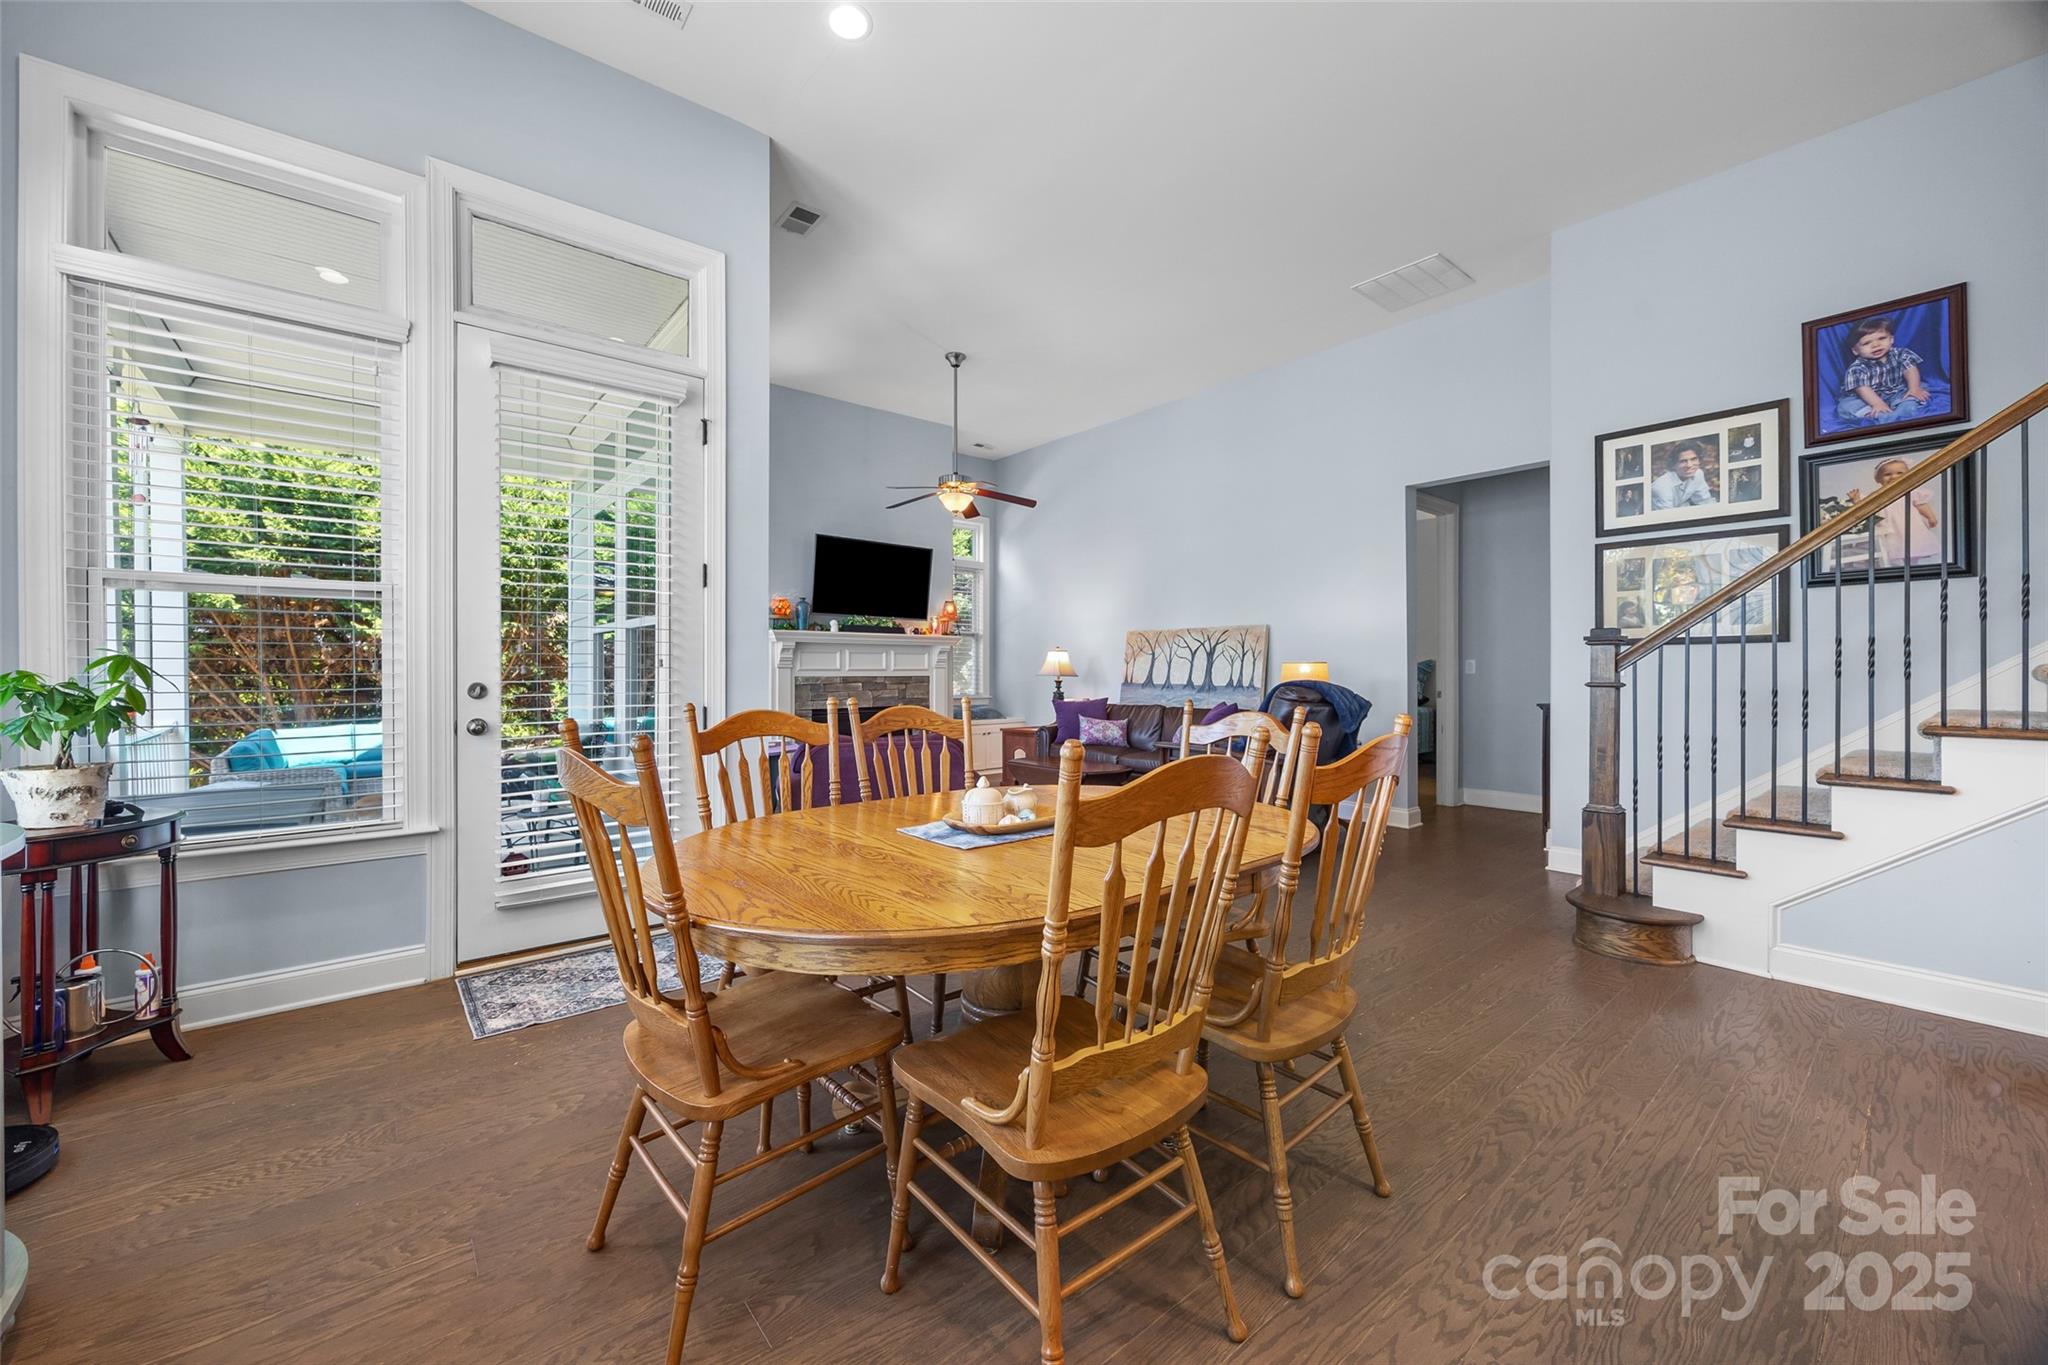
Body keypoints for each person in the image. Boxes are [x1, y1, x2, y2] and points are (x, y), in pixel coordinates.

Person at [1836, 317, 1932, 427]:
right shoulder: (1856, 368)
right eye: (1867, 343)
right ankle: (1880, 415)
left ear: (1891, 339)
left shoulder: (1901, 354)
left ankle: (1900, 411)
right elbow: (1863, 389)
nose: (1876, 345)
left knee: (1917, 392)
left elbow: (1910, 370)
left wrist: (1913, 388)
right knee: (1845, 407)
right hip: (1865, 398)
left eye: (1881, 338)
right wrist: (1877, 404)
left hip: (1896, 391)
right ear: (1855, 350)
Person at [1844, 456, 1939, 567]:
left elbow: (1921, 505)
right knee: (1890, 550)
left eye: (1899, 473)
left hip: (1909, 527)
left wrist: (1931, 517)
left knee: (1912, 550)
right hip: (1888, 527)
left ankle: (1912, 568)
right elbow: (1866, 506)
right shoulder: (1877, 494)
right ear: (1878, 479)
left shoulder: (1911, 491)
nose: (1894, 476)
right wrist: (1856, 500)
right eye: (1887, 474)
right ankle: (1894, 569)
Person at [1650, 444, 1714, 509]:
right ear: (1673, 465)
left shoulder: (1698, 473)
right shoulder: (1661, 487)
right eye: (1683, 461)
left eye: (1694, 459)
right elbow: (1666, 516)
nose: (1689, 465)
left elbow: (1704, 501)